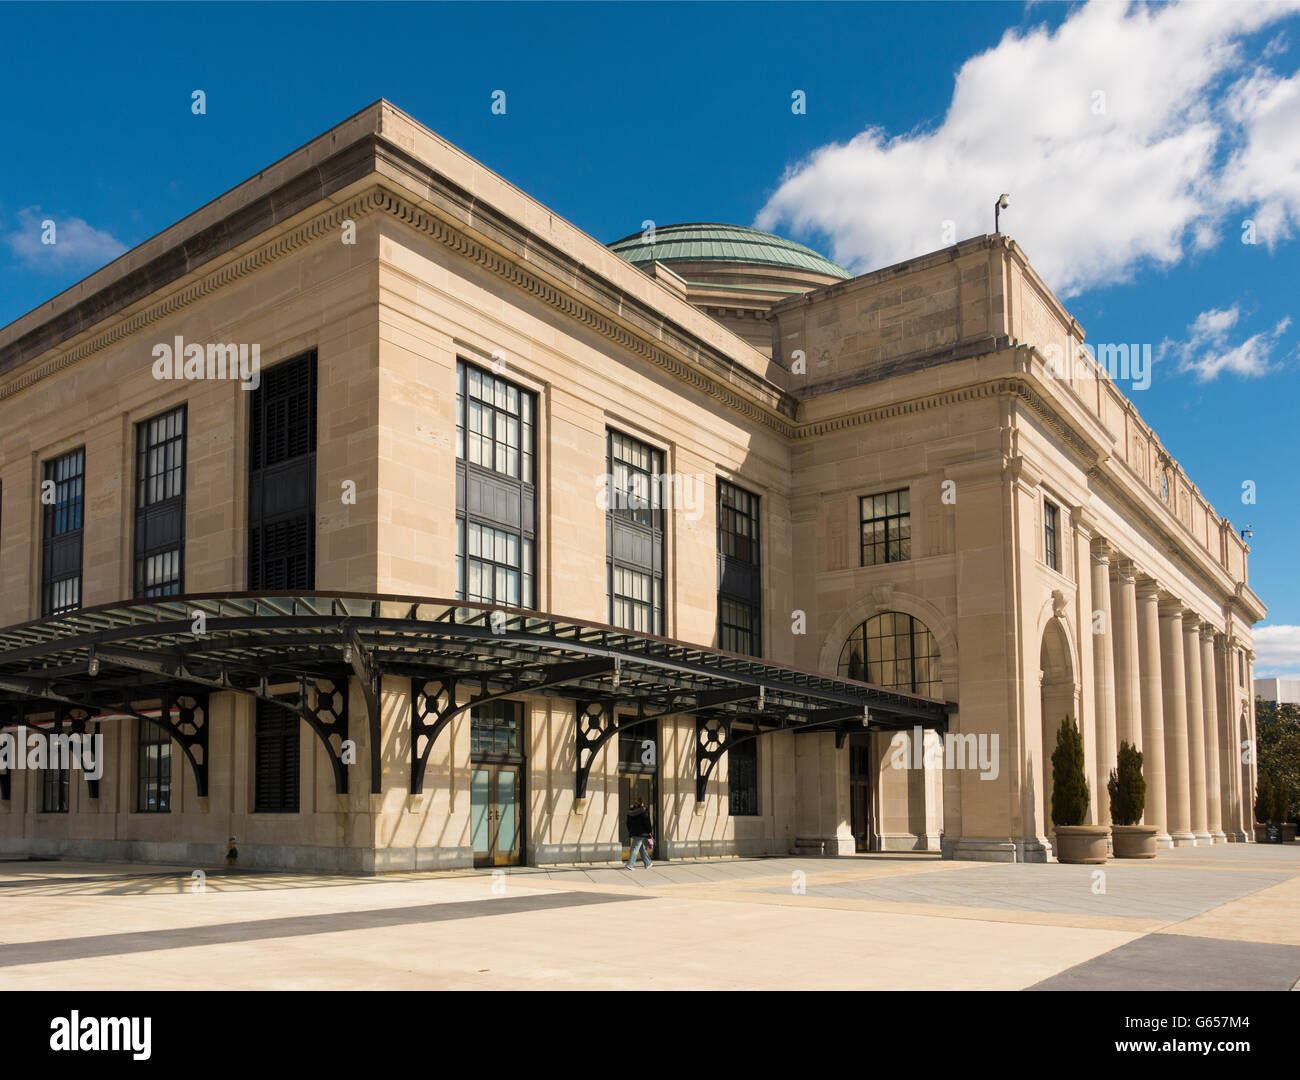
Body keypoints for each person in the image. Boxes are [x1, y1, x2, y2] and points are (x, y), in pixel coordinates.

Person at [625, 798, 654, 870]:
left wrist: (630, 830)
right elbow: (647, 822)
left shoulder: (630, 812)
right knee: (636, 848)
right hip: (641, 832)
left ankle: (648, 863)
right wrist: (649, 831)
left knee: (639, 848)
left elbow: (628, 823)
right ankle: (630, 864)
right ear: (642, 803)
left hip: (634, 832)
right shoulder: (644, 811)